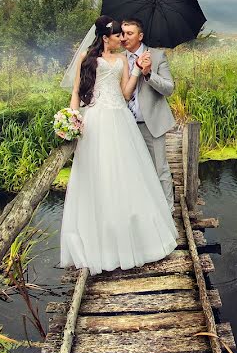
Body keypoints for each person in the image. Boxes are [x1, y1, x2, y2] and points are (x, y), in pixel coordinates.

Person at [59, 15, 177, 275]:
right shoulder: (86, 60)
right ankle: (101, 235)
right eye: (117, 35)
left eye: (126, 34)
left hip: (120, 119)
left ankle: (136, 229)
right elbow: (77, 92)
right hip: (97, 120)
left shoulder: (124, 60)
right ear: (105, 37)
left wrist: (139, 71)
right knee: (97, 174)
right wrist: (72, 118)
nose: (121, 38)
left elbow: (125, 93)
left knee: (128, 173)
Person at [119, 18, 176, 211]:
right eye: (123, 33)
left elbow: (169, 89)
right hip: (125, 125)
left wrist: (149, 74)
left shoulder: (158, 56)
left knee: (160, 171)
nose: (125, 38)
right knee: (132, 171)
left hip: (151, 123)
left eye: (130, 33)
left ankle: (167, 214)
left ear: (140, 36)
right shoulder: (119, 59)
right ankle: (143, 213)